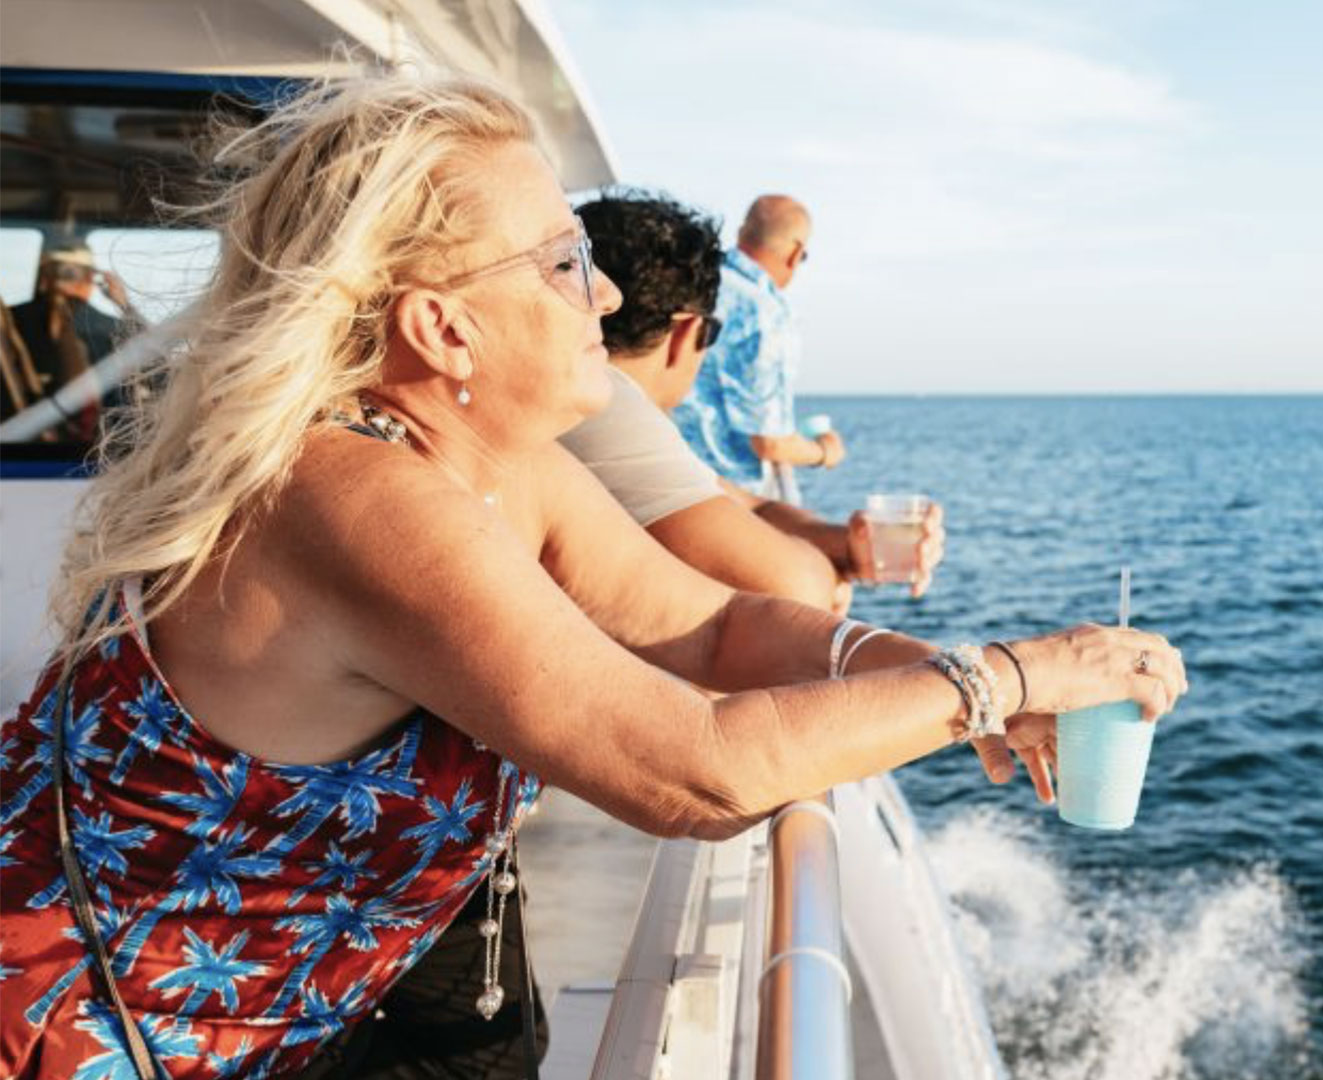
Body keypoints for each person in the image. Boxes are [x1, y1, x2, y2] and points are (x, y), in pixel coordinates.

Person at [0, 74, 1186, 1080]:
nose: (607, 295)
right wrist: (998, 681)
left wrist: (951, 677)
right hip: (76, 1029)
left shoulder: (495, 464)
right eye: (565, 262)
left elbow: (717, 632)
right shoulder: (351, 498)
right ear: (443, 330)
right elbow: (694, 773)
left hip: (269, 1023)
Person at [565, 189, 944, 615]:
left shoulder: (579, 395)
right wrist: (834, 573)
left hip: (707, 513)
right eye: (712, 335)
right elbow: (796, 587)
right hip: (712, 538)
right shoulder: (608, 408)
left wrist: (847, 543)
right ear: (689, 334)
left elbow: (751, 505)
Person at [673, 194, 840, 502]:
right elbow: (769, 443)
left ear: (740, 235)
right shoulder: (763, 313)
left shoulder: (691, 281)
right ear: (795, 253)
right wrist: (824, 451)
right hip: (728, 503)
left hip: (665, 482)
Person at [5, 239, 144, 436]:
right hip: (89, 451)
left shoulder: (10, 322)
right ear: (92, 279)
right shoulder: (112, 327)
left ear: (44, 277)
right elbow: (156, 360)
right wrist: (124, 305)